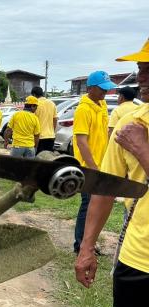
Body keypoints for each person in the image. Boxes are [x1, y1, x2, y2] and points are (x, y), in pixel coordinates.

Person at [75, 38, 149, 307]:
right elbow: (105, 189)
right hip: (138, 259)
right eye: (141, 68)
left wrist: (143, 151)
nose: (142, 76)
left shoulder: (136, 136)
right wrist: (86, 248)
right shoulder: (131, 125)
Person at [72, 70, 116, 254]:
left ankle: (87, 242)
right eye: (101, 89)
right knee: (88, 205)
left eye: (107, 89)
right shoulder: (83, 109)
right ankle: (80, 244)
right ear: (90, 88)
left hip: (101, 164)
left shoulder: (102, 105)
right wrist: (93, 168)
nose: (105, 93)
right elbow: (82, 141)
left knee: (95, 205)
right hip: (88, 167)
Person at [31, 86, 58, 153]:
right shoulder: (52, 104)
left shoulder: (35, 105)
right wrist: (52, 131)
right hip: (51, 137)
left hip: (39, 138)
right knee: (48, 159)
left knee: (38, 159)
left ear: (34, 95)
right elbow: (55, 120)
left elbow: (32, 121)